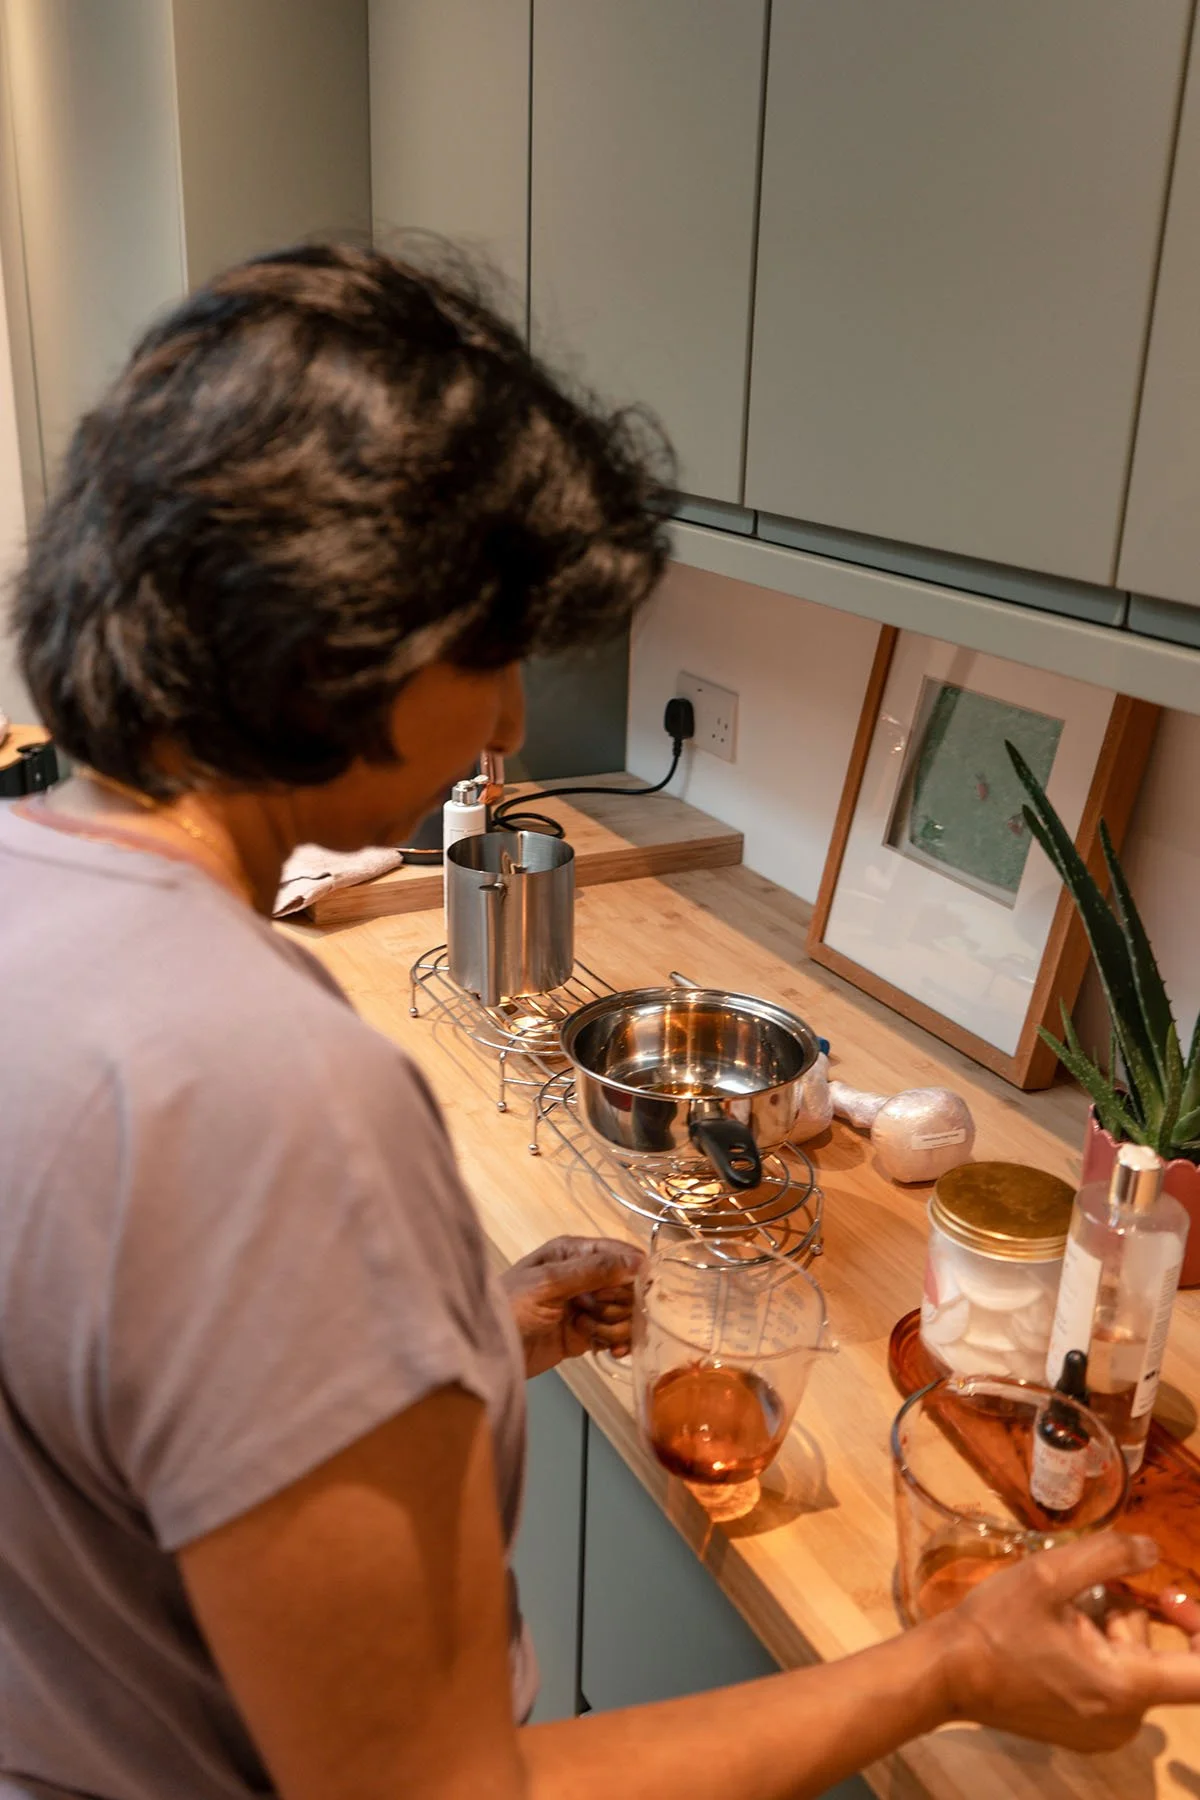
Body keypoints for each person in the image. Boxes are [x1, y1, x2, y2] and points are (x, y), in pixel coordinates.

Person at [1, 244, 1198, 1800]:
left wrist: (441, 1349)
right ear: (338, 629)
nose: (507, 723)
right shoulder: (265, 1090)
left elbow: (128, 1408)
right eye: (493, 651)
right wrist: (952, 1665)